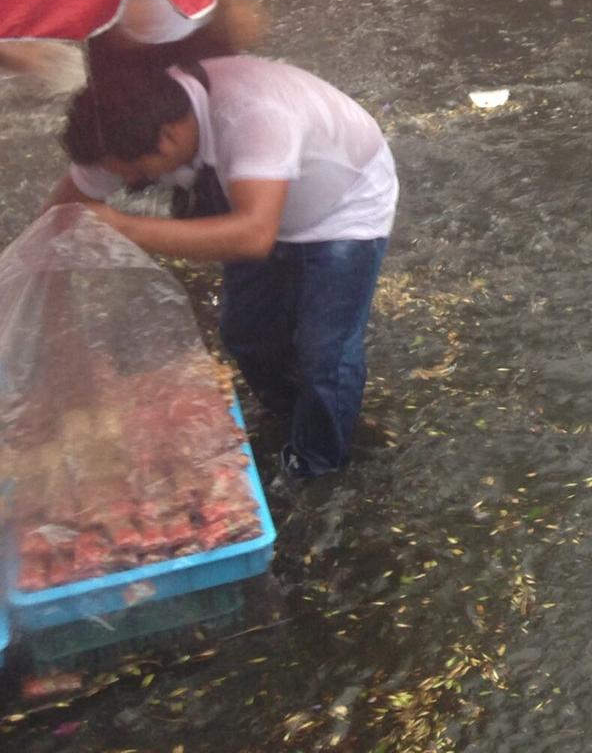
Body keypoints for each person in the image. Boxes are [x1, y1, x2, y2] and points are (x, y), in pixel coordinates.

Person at [46, 55, 397, 480]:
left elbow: (253, 236)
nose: (131, 183)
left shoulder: (254, 115)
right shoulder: (121, 124)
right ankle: (290, 412)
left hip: (341, 208)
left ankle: (319, 463)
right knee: (245, 334)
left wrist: (125, 227)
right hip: (253, 203)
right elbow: (62, 214)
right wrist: (44, 307)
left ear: (168, 139)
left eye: (137, 174)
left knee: (325, 350)